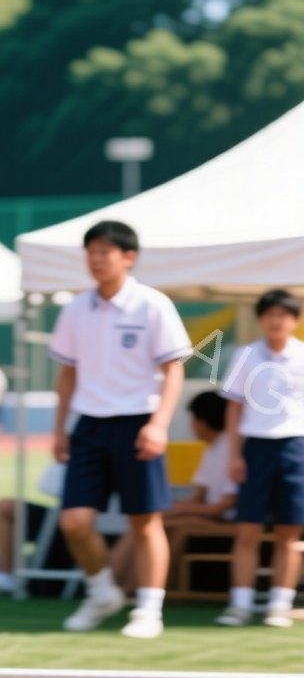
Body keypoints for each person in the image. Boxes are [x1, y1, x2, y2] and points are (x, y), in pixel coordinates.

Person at [49, 220, 191, 639]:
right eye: (91, 252)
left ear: (129, 257)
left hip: (138, 421)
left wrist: (159, 424)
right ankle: (101, 592)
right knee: (74, 521)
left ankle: (149, 609)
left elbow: (173, 368)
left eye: (105, 251)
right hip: (89, 425)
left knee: (144, 522)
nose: (96, 259)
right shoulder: (75, 308)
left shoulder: (152, 304)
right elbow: (67, 374)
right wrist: (60, 430)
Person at [216, 288, 303, 627]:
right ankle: (240, 604)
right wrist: (234, 455)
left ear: (294, 320)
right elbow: (234, 408)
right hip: (255, 447)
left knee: (289, 532)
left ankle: (279, 604)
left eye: (283, 314)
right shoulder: (245, 355)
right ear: (261, 319)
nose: (276, 321)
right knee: (248, 529)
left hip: (296, 446)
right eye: (270, 314)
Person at [108, 391, 239, 594]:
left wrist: (176, 509)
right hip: (214, 516)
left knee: (153, 523)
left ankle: (130, 586)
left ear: (201, 423)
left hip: (230, 521)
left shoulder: (229, 449)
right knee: (151, 521)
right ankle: (125, 585)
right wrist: (176, 508)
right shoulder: (214, 449)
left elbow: (223, 506)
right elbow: (198, 496)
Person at [0, 462, 67, 598]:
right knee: (4, 507)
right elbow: (53, 474)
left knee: (76, 520)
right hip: (63, 515)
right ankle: (4, 576)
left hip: (91, 522)